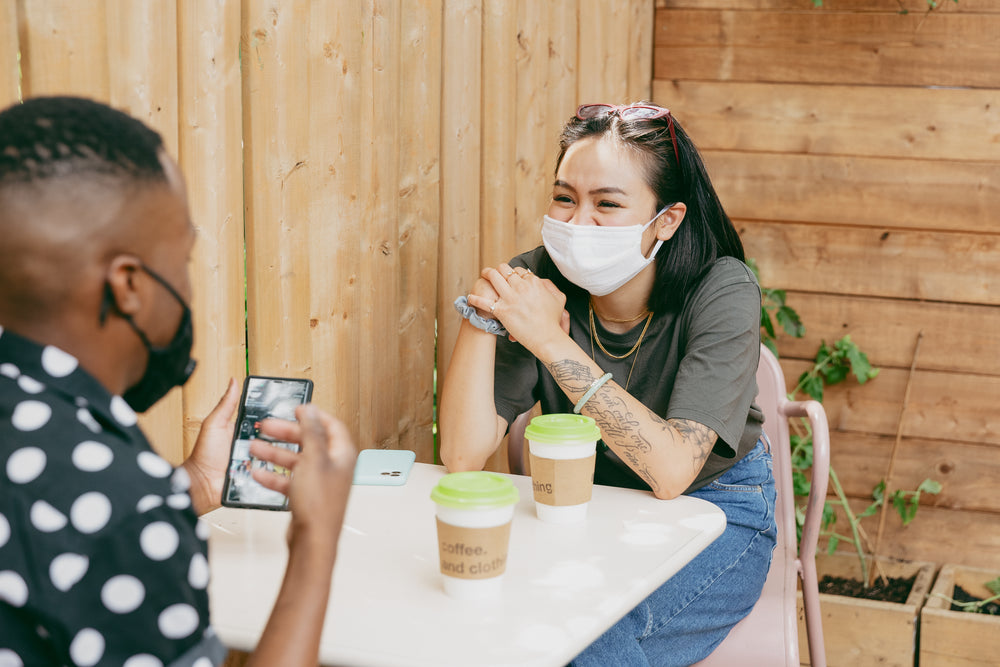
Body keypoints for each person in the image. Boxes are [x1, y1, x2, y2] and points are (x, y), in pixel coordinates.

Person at [0, 96, 357, 666]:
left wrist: (198, 481)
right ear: (130, 286)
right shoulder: (124, 504)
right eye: (183, 262)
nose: (187, 292)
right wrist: (316, 539)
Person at [439, 102, 775, 666]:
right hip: (586, 511)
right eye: (565, 198)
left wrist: (550, 342)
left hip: (716, 510)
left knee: (583, 639)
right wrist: (484, 316)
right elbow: (461, 453)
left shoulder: (723, 288)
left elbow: (670, 473)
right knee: (489, 616)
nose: (576, 224)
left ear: (666, 220)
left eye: (607, 204)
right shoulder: (540, 282)